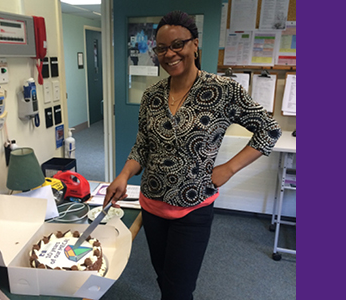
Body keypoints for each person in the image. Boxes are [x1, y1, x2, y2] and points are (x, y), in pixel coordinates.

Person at [104, 10, 282, 300]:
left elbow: (269, 130)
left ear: (195, 44)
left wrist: (228, 169)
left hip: (194, 207)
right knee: (164, 278)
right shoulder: (152, 96)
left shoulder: (223, 90)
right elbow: (142, 146)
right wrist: (123, 175)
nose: (169, 54)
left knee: (179, 289)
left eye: (178, 45)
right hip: (151, 205)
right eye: (161, 48)